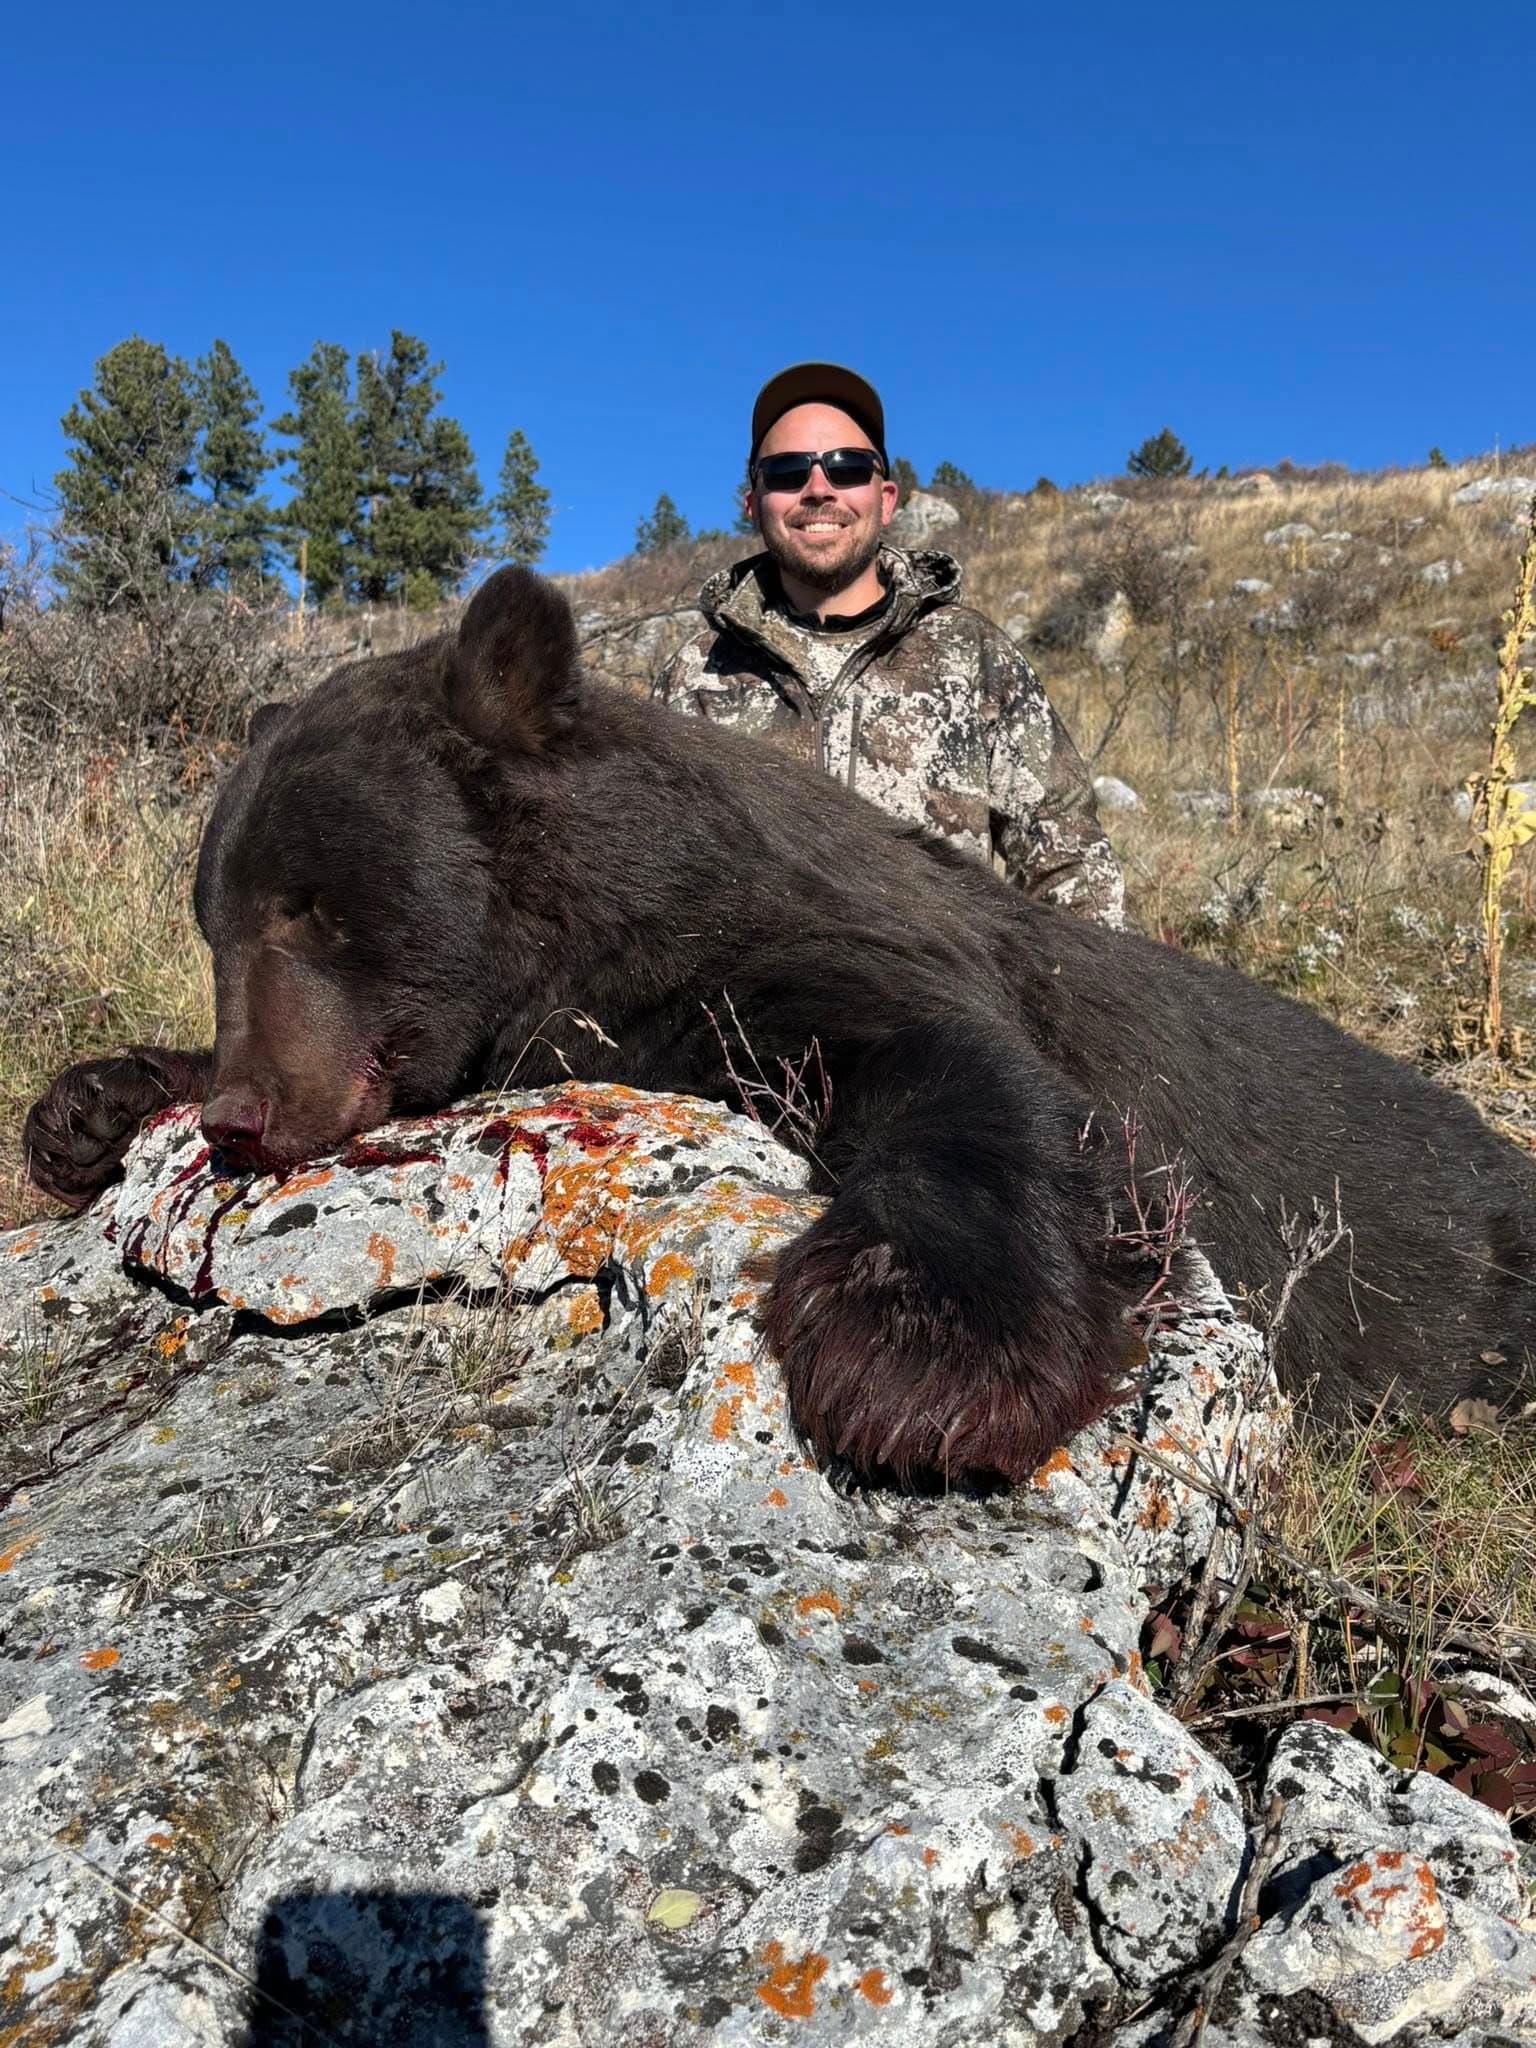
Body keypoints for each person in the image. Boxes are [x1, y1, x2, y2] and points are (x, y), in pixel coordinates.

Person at [652, 362, 1125, 925]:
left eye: (847, 467)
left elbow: (1070, 868)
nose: (819, 490)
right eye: (785, 472)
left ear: (886, 498)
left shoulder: (975, 657)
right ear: (753, 501)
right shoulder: (694, 678)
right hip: (744, 1011)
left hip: (941, 1007)